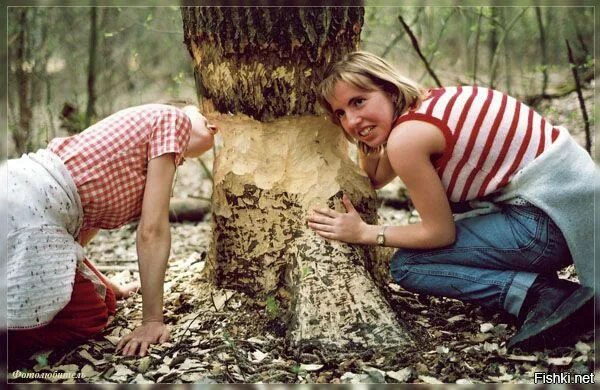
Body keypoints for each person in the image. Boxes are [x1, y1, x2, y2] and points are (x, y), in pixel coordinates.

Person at [307, 51, 598, 351]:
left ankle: (543, 295)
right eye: (340, 113)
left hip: (546, 227)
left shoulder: (407, 139)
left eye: (358, 101)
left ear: (389, 90)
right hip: (568, 210)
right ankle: (541, 287)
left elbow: (439, 233)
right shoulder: (427, 106)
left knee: (408, 265)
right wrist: (366, 137)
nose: (351, 120)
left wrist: (366, 233)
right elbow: (376, 179)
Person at [3, 103, 218, 358]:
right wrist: (151, 321)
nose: (213, 124)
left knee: (106, 300)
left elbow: (84, 223)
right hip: (30, 206)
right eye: (201, 113)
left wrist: (108, 285)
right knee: (90, 315)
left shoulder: (150, 144)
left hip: (26, 200)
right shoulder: (171, 119)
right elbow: (152, 230)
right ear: (180, 108)